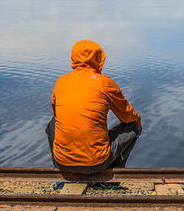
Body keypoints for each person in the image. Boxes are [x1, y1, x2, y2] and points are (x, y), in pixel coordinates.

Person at [46, 40, 142, 173]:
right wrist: (138, 124)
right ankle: (112, 176)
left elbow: (56, 113)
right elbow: (127, 116)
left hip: (62, 161)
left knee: (52, 123)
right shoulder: (104, 83)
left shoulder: (61, 82)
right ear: (99, 59)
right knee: (133, 126)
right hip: (98, 162)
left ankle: (63, 170)